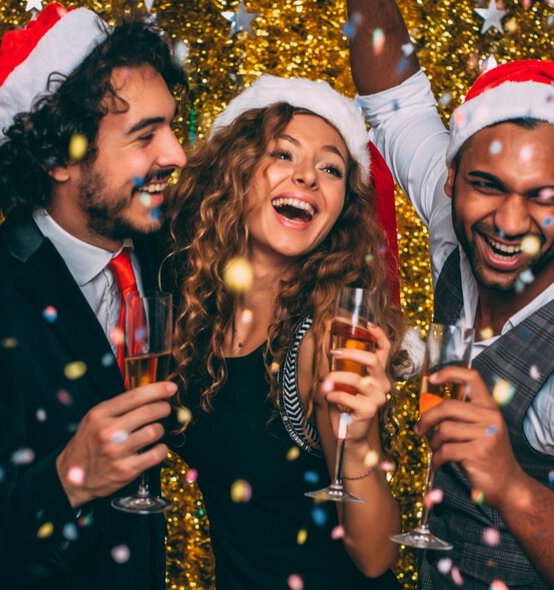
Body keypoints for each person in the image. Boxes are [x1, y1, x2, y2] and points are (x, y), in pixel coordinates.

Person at [345, 0, 554, 587]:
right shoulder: (457, 226)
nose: (509, 221)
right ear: (451, 175)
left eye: (544, 197)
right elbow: (395, 99)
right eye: (487, 187)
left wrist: (511, 485)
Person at [0, 4, 187, 589]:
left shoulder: (165, 249)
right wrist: (67, 478)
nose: (174, 154)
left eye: (172, 128)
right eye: (145, 136)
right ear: (56, 158)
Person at [166, 75, 404, 589]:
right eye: (284, 155)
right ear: (236, 170)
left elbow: (375, 556)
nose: (307, 178)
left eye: (331, 168)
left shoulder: (324, 335)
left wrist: (358, 439)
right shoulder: (191, 303)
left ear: (343, 206)